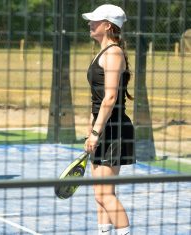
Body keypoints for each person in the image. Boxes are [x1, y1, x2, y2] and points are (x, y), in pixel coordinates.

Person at [82, 4, 135, 235]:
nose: (90, 24)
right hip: (102, 127)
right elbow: (95, 100)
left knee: (105, 194)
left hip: (114, 129)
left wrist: (96, 132)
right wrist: (91, 130)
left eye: (95, 20)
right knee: (99, 194)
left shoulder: (113, 53)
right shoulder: (102, 53)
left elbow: (110, 97)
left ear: (108, 25)